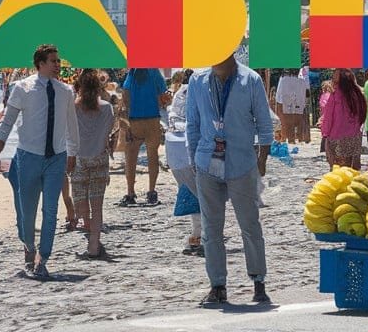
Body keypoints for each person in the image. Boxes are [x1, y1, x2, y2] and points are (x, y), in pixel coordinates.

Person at [186, 54, 273, 306]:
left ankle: (258, 281)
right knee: (211, 228)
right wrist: (194, 159)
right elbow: (193, 123)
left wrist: (262, 158)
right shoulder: (197, 81)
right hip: (206, 163)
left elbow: (264, 123)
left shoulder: (251, 80)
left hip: (241, 162)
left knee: (250, 224)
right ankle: (217, 285)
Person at [0, 44, 79, 279]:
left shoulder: (66, 91)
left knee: (51, 210)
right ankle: (28, 246)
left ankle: (43, 257)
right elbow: (7, 123)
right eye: (53, 61)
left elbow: (72, 125)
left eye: (58, 61)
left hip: (56, 157)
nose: (58, 65)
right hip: (28, 156)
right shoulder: (23, 88)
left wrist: (73, 153)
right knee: (26, 213)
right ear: (40, 63)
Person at [69, 69, 114, 259]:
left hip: (78, 159)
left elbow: (68, 136)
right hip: (99, 158)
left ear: (79, 87)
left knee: (81, 205)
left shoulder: (72, 108)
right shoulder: (106, 108)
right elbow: (107, 135)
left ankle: (88, 235)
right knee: (97, 206)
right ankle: (94, 244)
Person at [115, 68, 168, 207]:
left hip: (134, 120)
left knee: (130, 158)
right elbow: (163, 94)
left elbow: (126, 98)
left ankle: (130, 193)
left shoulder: (132, 73)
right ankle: (151, 191)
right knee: (153, 156)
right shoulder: (155, 72)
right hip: (152, 119)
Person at [166, 75, 203, 256]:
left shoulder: (180, 94)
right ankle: (201, 236)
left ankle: (197, 235)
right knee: (205, 196)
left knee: (195, 194)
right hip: (197, 151)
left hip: (178, 155)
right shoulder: (203, 91)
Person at [321, 69, 367, 169]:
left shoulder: (335, 97)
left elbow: (328, 119)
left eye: (334, 80)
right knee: (352, 169)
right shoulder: (358, 95)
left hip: (336, 138)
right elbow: (363, 114)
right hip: (354, 138)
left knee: (338, 171)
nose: (332, 82)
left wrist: (325, 133)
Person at [273, 68, 311, 145]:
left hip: (286, 101)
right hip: (297, 102)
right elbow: (307, 92)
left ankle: (288, 138)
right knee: (295, 120)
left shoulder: (283, 79)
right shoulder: (301, 79)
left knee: (286, 121)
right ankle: (294, 138)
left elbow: (279, 95)